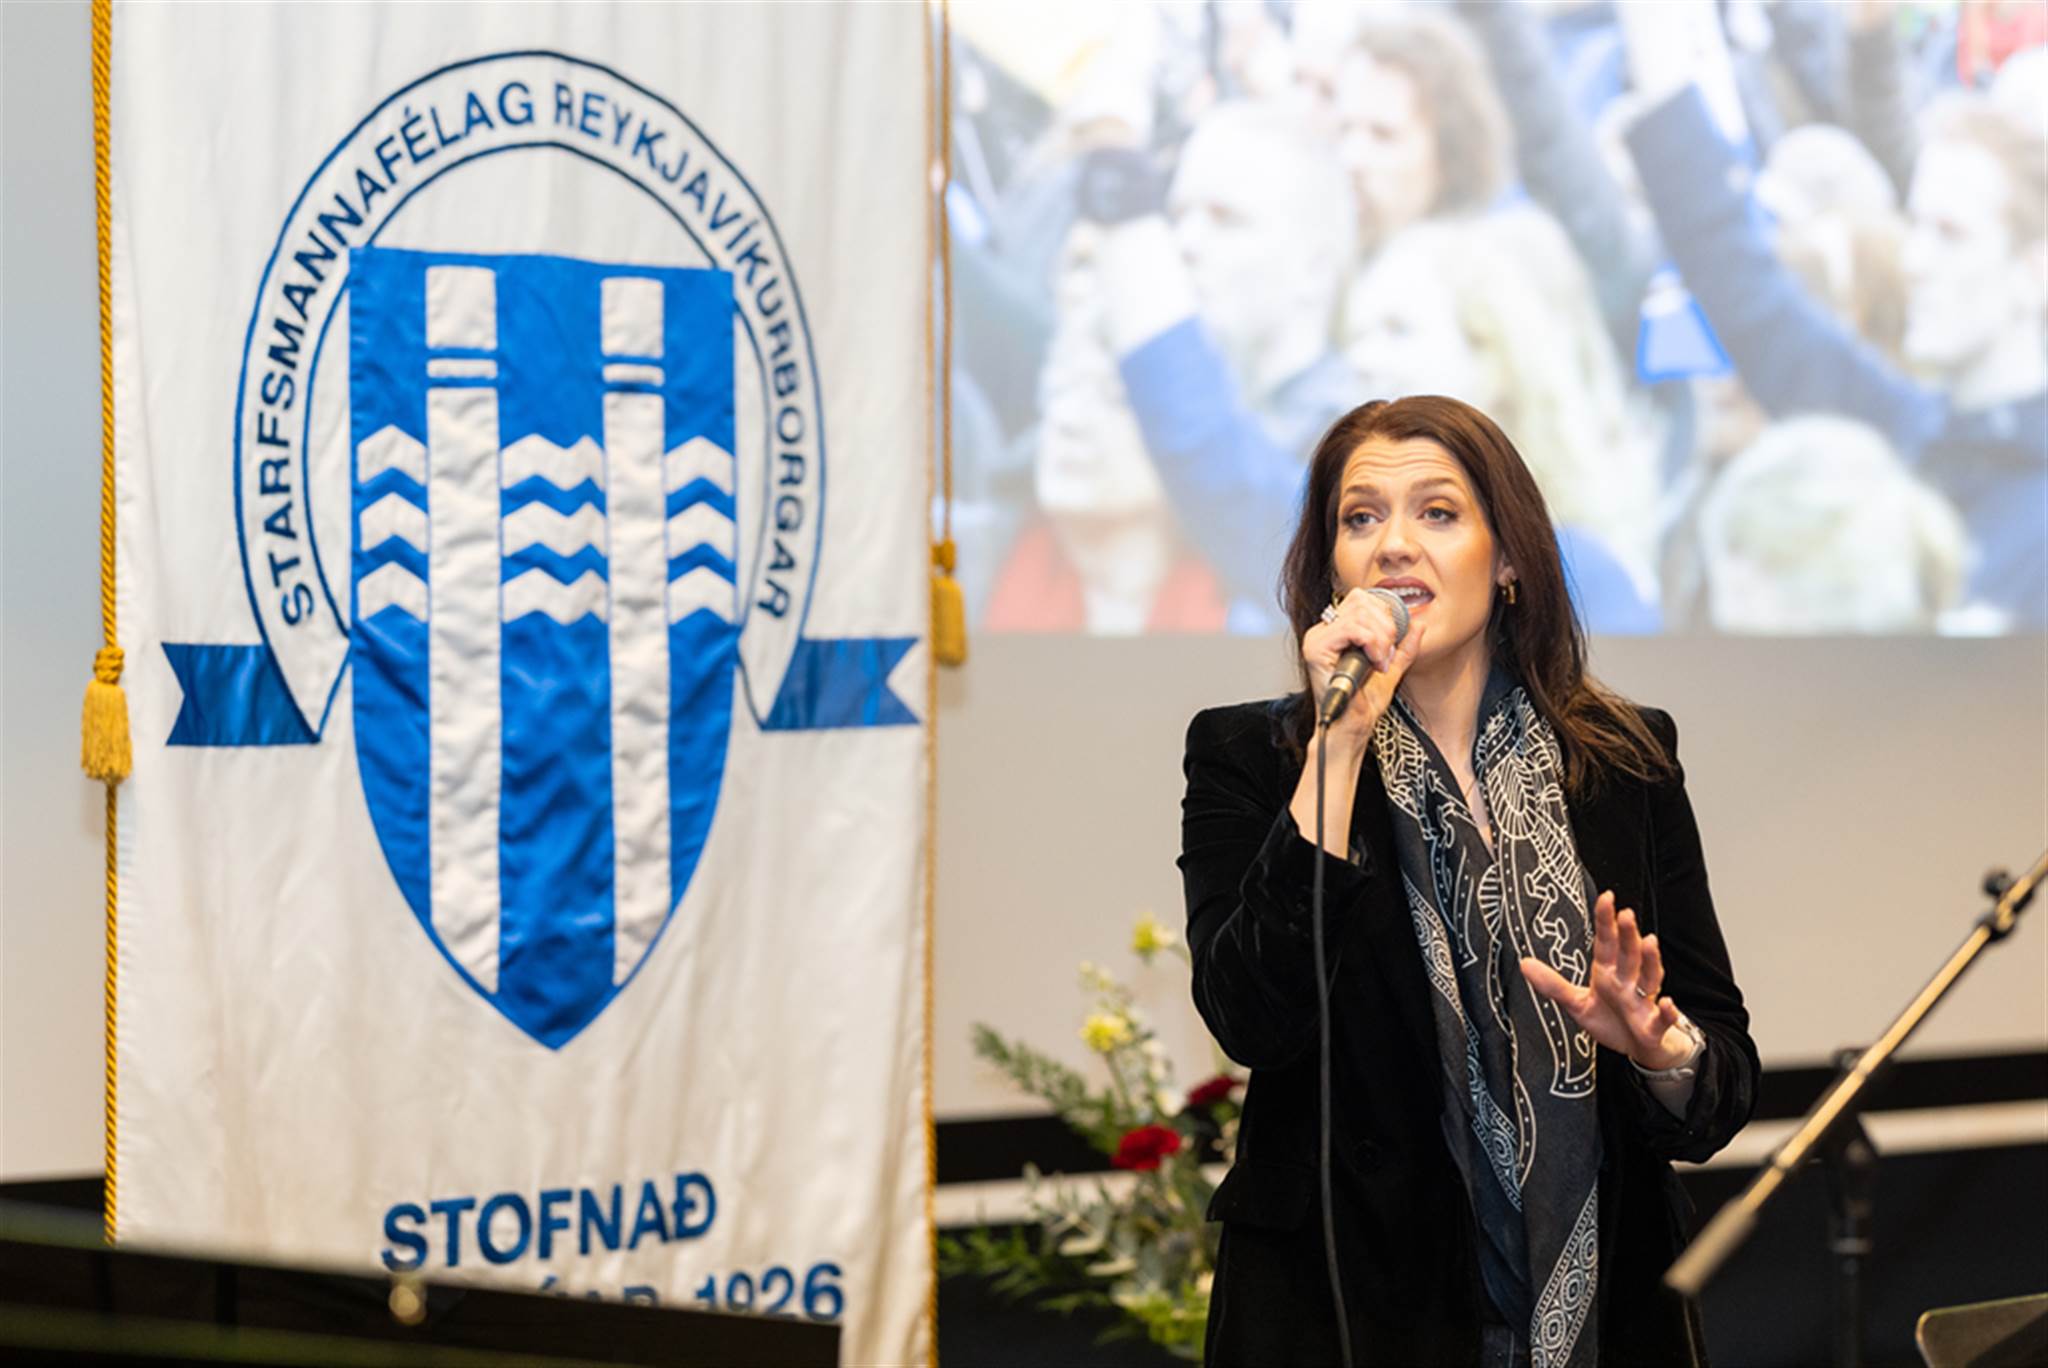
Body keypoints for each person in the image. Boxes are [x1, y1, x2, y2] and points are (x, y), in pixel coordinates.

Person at [1180, 396, 1757, 1365]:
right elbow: (1252, 1019)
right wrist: (1339, 745)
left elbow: (1720, 1078)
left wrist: (1660, 1051)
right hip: (1354, 1320)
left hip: (1607, 1312)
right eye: (1360, 518)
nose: (1393, 544)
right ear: (1330, 569)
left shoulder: (1624, 760)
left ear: (1510, 560)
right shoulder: (1253, 756)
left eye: (1437, 513)